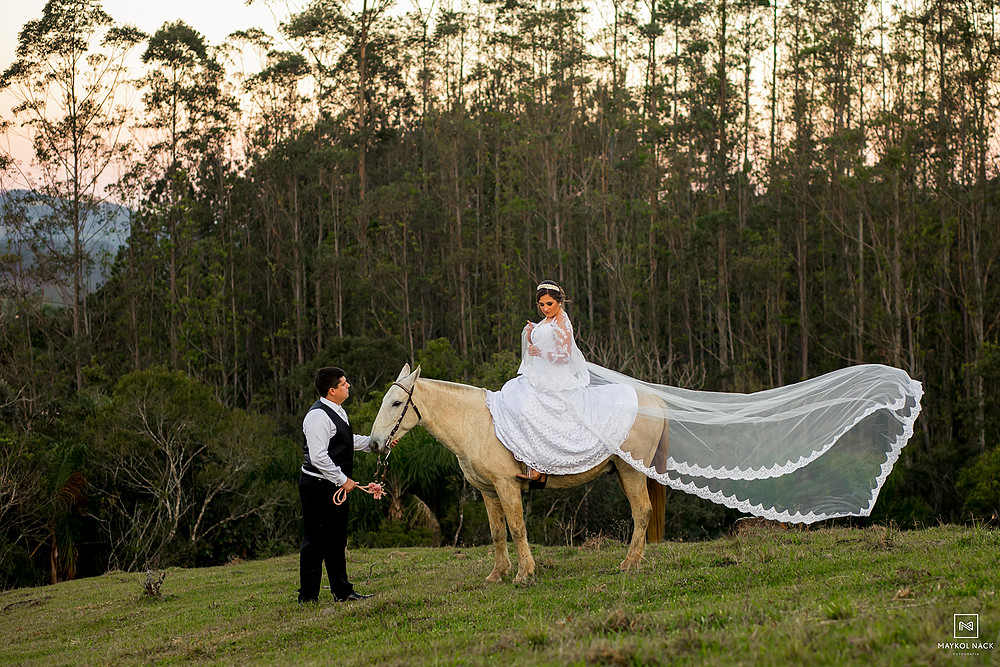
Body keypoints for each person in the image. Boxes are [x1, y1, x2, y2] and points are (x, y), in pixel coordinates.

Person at [485, 280, 639, 487]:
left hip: (555, 380)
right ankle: (525, 459)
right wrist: (533, 335)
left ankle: (538, 466)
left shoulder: (562, 322)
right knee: (514, 399)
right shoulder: (548, 321)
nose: (545, 308)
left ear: (559, 302)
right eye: (541, 305)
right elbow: (542, 346)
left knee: (532, 412)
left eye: (549, 304)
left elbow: (564, 356)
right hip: (539, 376)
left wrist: (539, 351)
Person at [298, 366, 378, 603]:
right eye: (344, 383)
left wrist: (376, 444)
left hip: (333, 486)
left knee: (337, 540)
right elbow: (318, 456)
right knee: (315, 542)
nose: (348, 386)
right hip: (317, 487)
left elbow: (347, 441)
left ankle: (342, 592)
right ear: (332, 390)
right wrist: (344, 480)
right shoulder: (317, 417)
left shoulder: (338, 411)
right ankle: (308, 597)